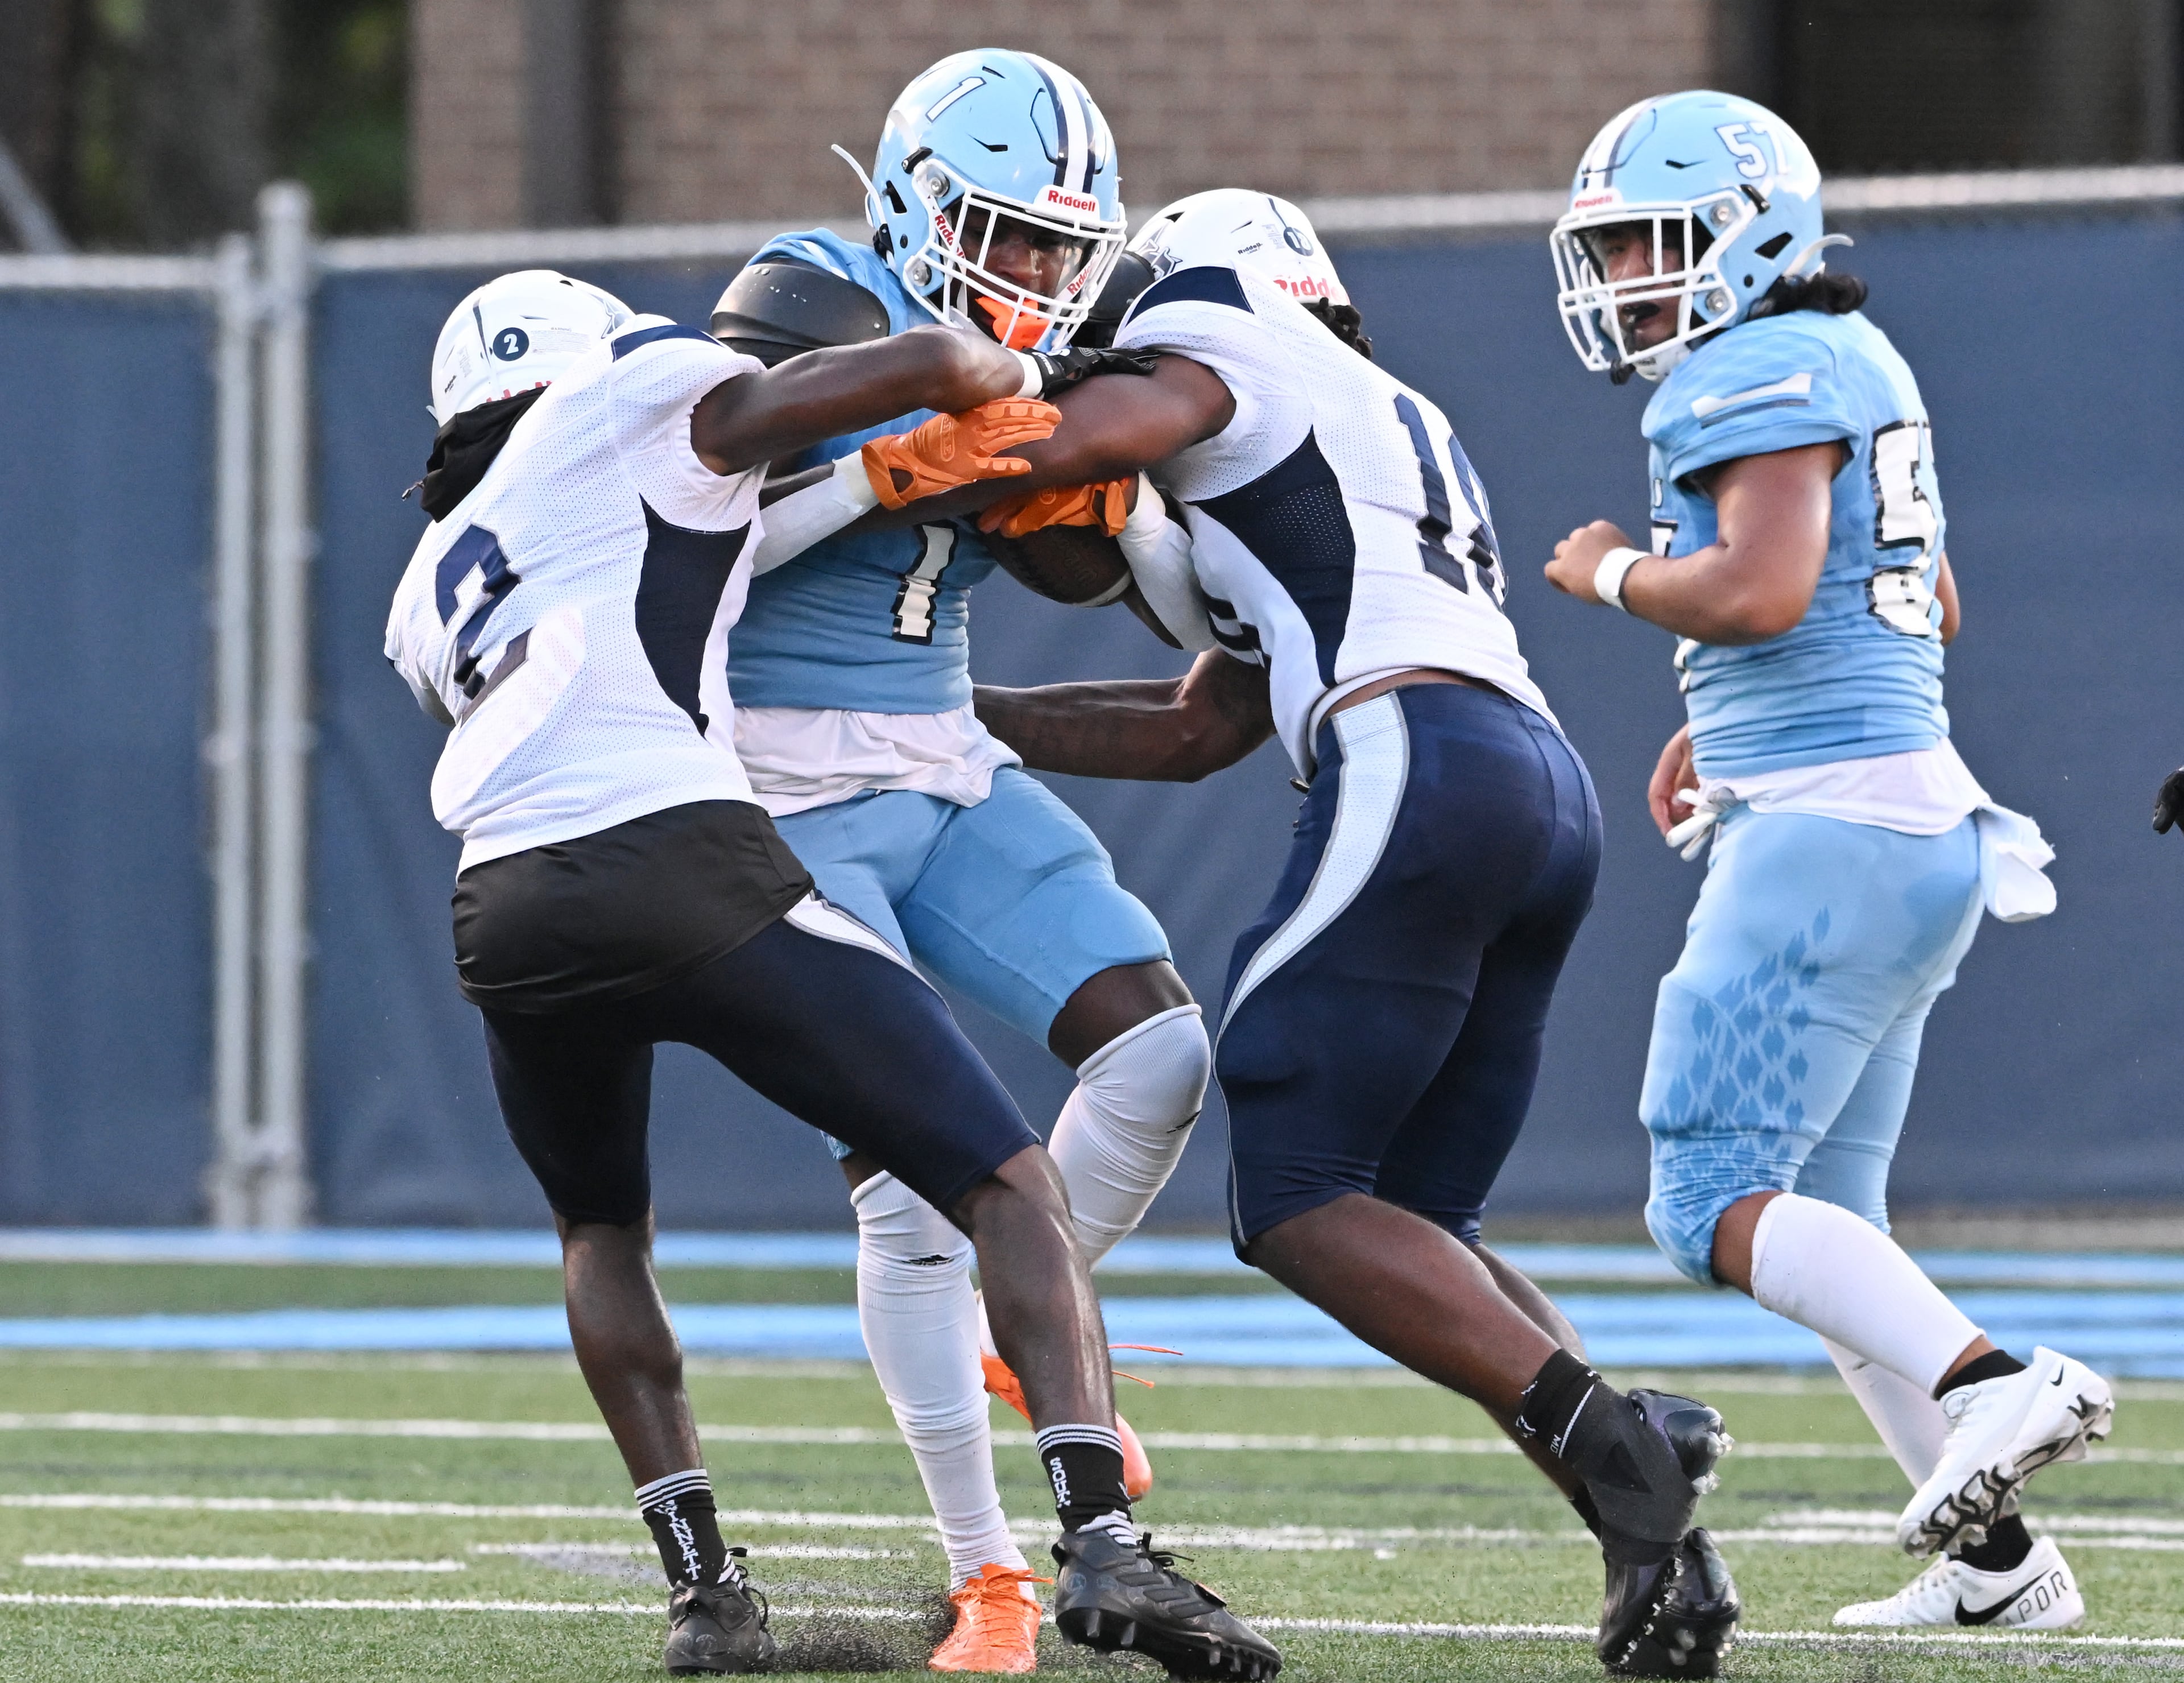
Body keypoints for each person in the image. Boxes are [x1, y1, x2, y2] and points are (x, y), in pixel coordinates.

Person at [383, 267, 1281, 1681]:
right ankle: (1100, 1544)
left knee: (601, 1238)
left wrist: (868, 485)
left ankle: (703, 1596)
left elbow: (673, 567)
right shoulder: (631, 393)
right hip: (678, 858)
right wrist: (988, 375)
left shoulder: (431, 578)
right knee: (1002, 1180)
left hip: (502, 908)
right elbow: (900, 362)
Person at [908, 189, 1741, 1679]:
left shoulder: (1213, 330)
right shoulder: (1362, 423)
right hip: (1531, 786)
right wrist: (963, 719)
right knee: (1417, 1226)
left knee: (1293, 1193)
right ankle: (1657, 1548)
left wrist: (912, 446)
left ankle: (1623, 1445)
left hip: (1409, 757)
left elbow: (1086, 441)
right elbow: (1200, 728)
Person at [1541, 90, 2112, 1632]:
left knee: (1707, 1194)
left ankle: (1997, 1381)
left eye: (1656, 244)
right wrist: (1731, 737)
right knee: (1826, 1221)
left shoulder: (1754, 367)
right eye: (1615, 249)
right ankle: (1999, 1573)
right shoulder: (1855, 359)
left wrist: (1613, 575)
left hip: (1832, 841)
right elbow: (1924, 610)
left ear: (1751, 232)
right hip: (1911, 825)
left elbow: (1768, 589)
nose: (1633, 279)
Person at [705, 50, 1211, 1674]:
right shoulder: (806, 298)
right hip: (781, 780)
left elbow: (1157, 605)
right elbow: (680, 532)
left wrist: (1117, 501)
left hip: (948, 761)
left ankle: (1030, 1321)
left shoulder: (1044, 348)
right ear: (916, 205)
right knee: (919, 1183)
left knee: (1160, 1043)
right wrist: (875, 466)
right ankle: (989, 1574)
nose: (1046, 280)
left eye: (1068, 249)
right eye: (1011, 236)